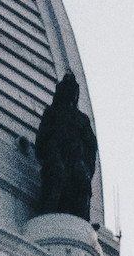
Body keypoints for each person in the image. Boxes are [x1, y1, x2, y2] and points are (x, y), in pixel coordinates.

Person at [34, 73, 98, 221]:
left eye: (74, 91)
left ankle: (82, 220)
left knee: (82, 177)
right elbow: (41, 142)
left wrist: (80, 152)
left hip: (76, 160)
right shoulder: (52, 113)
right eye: (68, 90)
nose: (72, 94)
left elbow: (91, 146)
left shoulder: (82, 119)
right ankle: (48, 213)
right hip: (57, 158)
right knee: (57, 171)